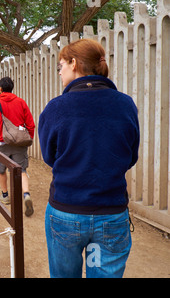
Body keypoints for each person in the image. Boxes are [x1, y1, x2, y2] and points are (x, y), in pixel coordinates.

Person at [38, 38, 140, 278]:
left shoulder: (56, 107)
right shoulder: (126, 105)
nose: (60, 72)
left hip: (66, 210)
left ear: (74, 63)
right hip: (111, 213)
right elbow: (130, 156)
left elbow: (49, 156)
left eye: (61, 65)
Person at [0, 76, 35, 217]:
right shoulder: (21, 102)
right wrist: (28, 138)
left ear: (0, 89)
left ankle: (5, 196)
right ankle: (26, 194)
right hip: (19, 142)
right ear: (12, 88)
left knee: (1, 170)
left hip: (2, 142)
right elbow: (30, 124)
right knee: (22, 170)